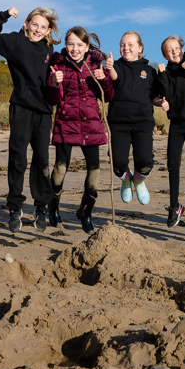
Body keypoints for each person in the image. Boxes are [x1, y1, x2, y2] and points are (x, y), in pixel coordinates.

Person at [0, 6, 59, 233]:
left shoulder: (50, 50)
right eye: (34, 24)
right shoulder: (15, 42)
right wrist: (2, 16)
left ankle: (41, 208)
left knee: (42, 160)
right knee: (17, 160)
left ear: (48, 31)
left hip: (44, 112)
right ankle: (15, 208)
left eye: (43, 27)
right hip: (21, 109)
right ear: (26, 24)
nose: (38, 29)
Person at [45, 27, 114, 234]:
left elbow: (107, 96)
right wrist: (53, 83)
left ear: (86, 46)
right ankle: (53, 206)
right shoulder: (57, 64)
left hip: (91, 125)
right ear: (65, 45)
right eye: (71, 44)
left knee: (94, 171)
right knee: (59, 169)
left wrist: (104, 78)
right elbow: (53, 100)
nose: (75, 49)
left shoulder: (95, 63)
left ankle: (86, 211)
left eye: (79, 45)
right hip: (65, 123)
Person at [105, 31, 160, 206]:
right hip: (118, 121)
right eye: (122, 45)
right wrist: (109, 68)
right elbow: (115, 76)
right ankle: (126, 179)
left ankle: (138, 181)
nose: (125, 48)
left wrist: (163, 103)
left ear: (140, 48)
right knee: (118, 161)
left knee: (144, 161)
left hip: (143, 122)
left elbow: (154, 97)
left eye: (130, 45)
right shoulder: (117, 66)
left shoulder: (150, 71)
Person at [155, 35, 185, 229]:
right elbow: (166, 92)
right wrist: (162, 75)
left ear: (182, 48)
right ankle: (175, 206)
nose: (175, 52)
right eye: (170, 50)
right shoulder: (165, 71)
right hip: (175, 123)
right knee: (172, 165)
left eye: (177, 48)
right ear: (165, 55)